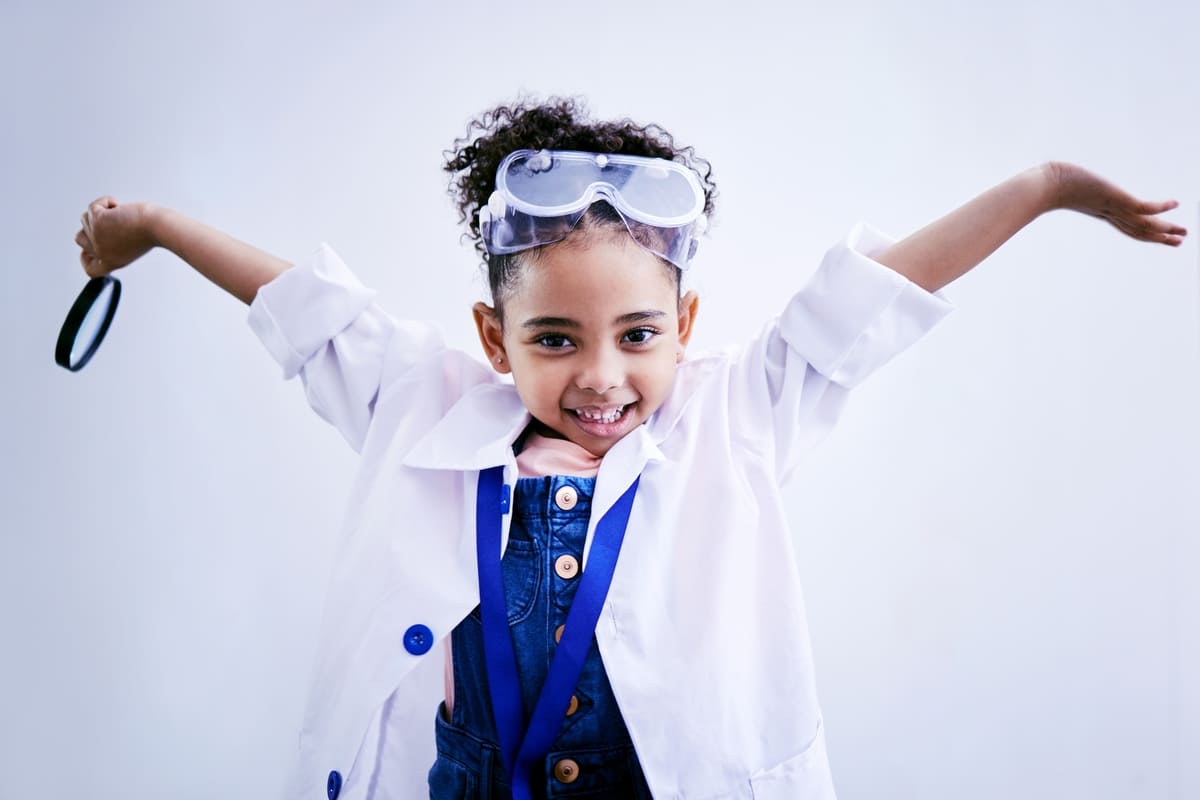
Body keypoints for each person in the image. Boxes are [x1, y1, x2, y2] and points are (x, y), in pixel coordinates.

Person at [74, 97, 1185, 800]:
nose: (601, 376)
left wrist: (1043, 190)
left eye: (639, 334)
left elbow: (876, 294)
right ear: (491, 337)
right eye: (554, 339)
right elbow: (306, 303)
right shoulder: (420, 399)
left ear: (685, 331)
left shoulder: (734, 413)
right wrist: (158, 228)